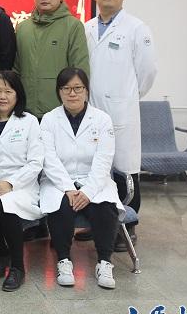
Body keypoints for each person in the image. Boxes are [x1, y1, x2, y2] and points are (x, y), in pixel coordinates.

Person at [84, 0, 157, 250]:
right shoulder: (87, 27)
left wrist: (128, 97)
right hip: (92, 110)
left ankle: (127, 227)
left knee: (124, 171)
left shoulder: (136, 28)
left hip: (121, 111)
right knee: (95, 168)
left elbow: (147, 72)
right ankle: (97, 222)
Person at [39, 67, 125, 290]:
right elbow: (49, 158)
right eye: (66, 88)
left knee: (104, 206)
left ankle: (104, 262)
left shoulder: (102, 119)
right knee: (60, 207)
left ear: (86, 90)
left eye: (78, 88)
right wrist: (68, 188)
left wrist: (87, 191)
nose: (72, 93)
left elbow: (104, 160)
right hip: (59, 181)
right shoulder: (49, 120)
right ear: (59, 92)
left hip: (94, 180)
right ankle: (63, 261)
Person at [0, 70, 44, 292]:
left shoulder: (30, 122)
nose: (2, 96)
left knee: (6, 207)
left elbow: (35, 162)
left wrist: (11, 184)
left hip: (22, 184)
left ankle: (17, 267)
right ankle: (2, 253)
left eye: (8, 91)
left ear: (17, 94)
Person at [13, 0, 90, 119]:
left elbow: (80, 70)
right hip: (26, 112)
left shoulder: (73, 26)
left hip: (60, 112)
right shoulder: (23, 28)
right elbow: (16, 70)